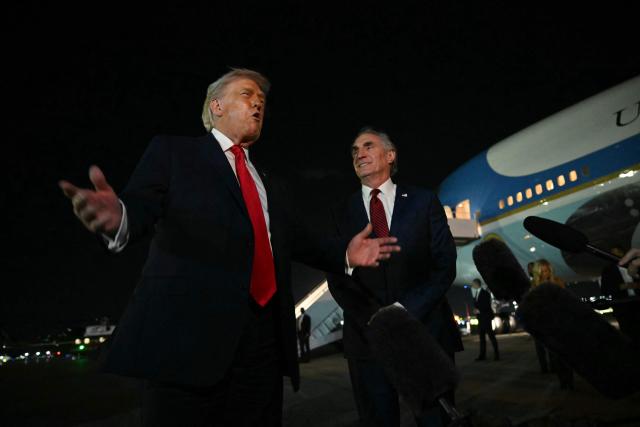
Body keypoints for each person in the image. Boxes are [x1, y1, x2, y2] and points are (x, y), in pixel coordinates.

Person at [58, 69, 401, 426]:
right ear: (216, 105)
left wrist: (346, 254)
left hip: (263, 350)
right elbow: (141, 206)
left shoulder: (270, 184)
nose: (257, 103)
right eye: (247, 94)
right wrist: (120, 216)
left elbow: (300, 243)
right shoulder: (175, 152)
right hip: (188, 347)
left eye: (262, 100)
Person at [326, 128, 463, 427]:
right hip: (367, 340)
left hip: (425, 333)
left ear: (390, 155)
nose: (358, 154)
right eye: (354, 150)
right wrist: (374, 318)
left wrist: (404, 312)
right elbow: (336, 276)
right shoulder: (340, 211)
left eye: (367, 146)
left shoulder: (424, 201)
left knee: (436, 421)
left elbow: (444, 265)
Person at [531, 259, 574, 390]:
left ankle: (569, 380)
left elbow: (566, 300)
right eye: (543, 271)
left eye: (547, 270)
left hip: (561, 321)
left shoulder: (558, 281)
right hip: (547, 323)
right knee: (554, 355)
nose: (546, 273)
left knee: (565, 354)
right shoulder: (534, 286)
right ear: (538, 272)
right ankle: (563, 381)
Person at [600, 248, 640, 344]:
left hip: (637, 302)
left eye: (618, 252)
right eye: (613, 253)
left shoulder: (635, 265)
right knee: (627, 331)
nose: (616, 256)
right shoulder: (608, 270)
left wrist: (627, 286)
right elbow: (605, 289)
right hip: (622, 306)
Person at [470, 278, 499, 361]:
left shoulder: (485, 293)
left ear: (477, 284)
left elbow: (487, 305)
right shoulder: (475, 294)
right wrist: (476, 310)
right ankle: (482, 355)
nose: (472, 285)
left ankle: (497, 355)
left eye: (473, 284)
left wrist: (479, 310)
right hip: (480, 318)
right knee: (482, 338)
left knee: (491, 336)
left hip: (486, 318)